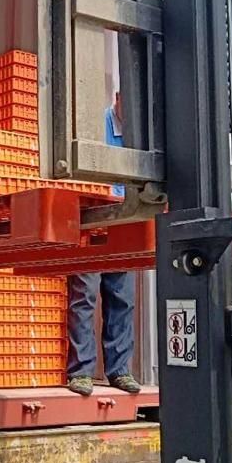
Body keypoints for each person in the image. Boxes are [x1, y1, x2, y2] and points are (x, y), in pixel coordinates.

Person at [67, 92, 141, 397]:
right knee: (84, 295)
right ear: (118, 98)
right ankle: (81, 372)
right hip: (92, 219)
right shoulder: (94, 126)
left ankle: (119, 370)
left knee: (122, 297)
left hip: (123, 223)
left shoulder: (139, 134)